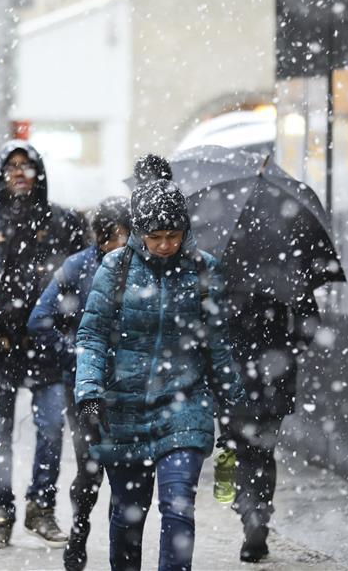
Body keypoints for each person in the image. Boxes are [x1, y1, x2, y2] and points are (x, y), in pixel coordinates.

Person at [75, 174, 244, 571]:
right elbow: (93, 335)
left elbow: (217, 345)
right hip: (124, 409)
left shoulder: (203, 272)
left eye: (174, 234)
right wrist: (89, 393)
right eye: (156, 236)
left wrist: (234, 406)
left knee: (178, 505)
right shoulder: (114, 269)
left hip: (185, 404)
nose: (166, 245)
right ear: (138, 232)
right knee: (127, 515)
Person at [0, 140, 87, 549]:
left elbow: (84, 271)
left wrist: (66, 305)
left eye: (27, 165)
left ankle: (41, 507)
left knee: (50, 427)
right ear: (0, 174)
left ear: (39, 172)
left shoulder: (64, 221)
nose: (20, 172)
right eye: (12, 165)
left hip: (48, 342)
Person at [27, 195, 131, 571]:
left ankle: (122, 554)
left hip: (129, 388)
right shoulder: (77, 267)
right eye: (112, 236)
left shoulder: (143, 269)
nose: (119, 244)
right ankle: (79, 533)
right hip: (84, 387)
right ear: (99, 237)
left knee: (126, 474)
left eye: (126, 235)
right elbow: (39, 319)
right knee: (89, 466)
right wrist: (77, 352)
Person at [225, 290, 318, 563]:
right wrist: (290, 345)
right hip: (275, 373)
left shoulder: (220, 267)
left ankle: (249, 512)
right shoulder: (288, 269)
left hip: (232, 372)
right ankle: (260, 517)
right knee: (264, 452)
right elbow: (309, 321)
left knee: (237, 451)